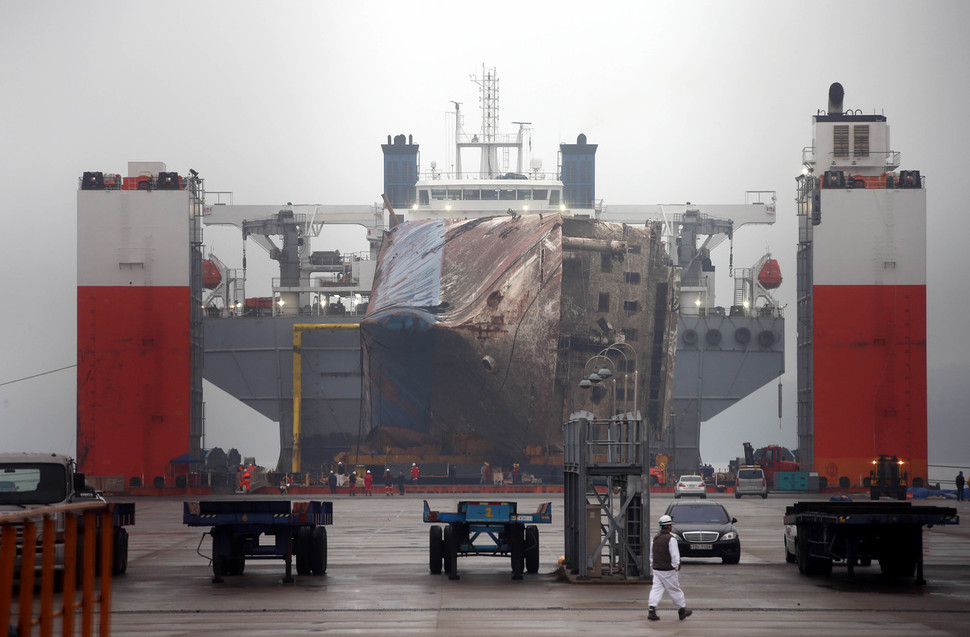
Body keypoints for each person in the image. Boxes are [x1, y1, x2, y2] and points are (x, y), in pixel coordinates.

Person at [648, 514, 692, 621]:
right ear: (668, 526)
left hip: (657, 569)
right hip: (668, 570)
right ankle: (682, 610)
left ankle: (651, 610)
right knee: (675, 590)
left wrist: (653, 565)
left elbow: (651, 555)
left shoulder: (655, 539)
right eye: (670, 525)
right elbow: (675, 556)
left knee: (656, 589)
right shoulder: (671, 539)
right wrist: (676, 566)